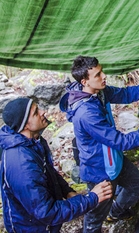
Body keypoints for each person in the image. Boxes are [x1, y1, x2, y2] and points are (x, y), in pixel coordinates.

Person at [59, 56, 139, 233]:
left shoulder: (99, 92)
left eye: (102, 70)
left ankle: (116, 211)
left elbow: (126, 95)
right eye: (98, 74)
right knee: (94, 218)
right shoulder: (86, 113)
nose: (104, 76)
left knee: (138, 184)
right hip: (99, 171)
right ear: (84, 81)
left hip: (113, 160)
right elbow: (121, 141)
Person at [0, 97, 113, 233]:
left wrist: (67, 191)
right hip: (31, 228)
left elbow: (48, 172)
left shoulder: (34, 141)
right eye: (36, 112)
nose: (43, 112)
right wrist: (92, 198)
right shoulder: (21, 164)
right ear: (25, 125)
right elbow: (46, 212)